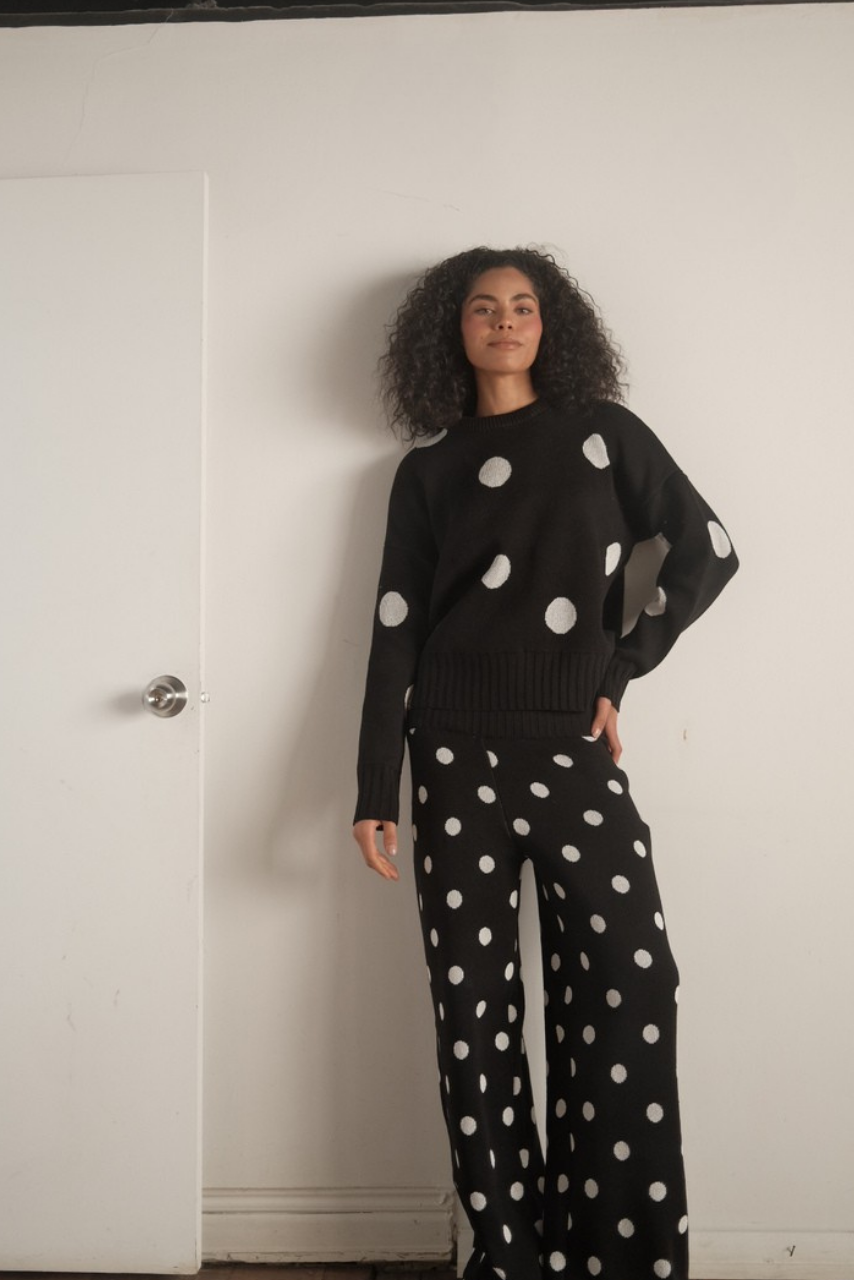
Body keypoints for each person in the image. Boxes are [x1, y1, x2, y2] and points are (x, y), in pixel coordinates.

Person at [351, 246, 738, 1280]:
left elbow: (706, 546)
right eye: (483, 307)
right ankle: (509, 1255)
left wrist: (621, 669)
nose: (505, 321)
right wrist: (373, 787)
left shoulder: (603, 434)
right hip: (449, 755)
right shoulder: (427, 470)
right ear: (452, 330)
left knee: (632, 980)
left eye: (523, 305)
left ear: (550, 323)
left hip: (569, 746)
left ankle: (616, 1255)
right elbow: (394, 630)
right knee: (473, 1012)